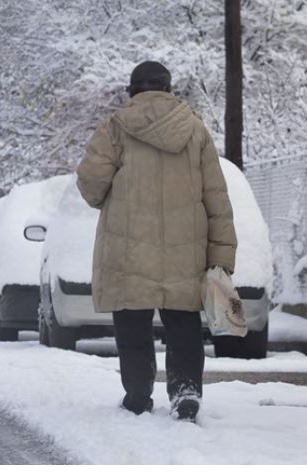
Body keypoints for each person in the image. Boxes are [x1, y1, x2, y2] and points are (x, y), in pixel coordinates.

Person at [75, 61, 237, 422]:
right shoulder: (195, 130)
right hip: (186, 250)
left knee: (132, 324)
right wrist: (223, 255)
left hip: (127, 249)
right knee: (183, 324)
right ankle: (185, 393)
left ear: (132, 90)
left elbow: (90, 185)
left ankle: (137, 395)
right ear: (169, 89)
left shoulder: (114, 129)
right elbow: (217, 198)